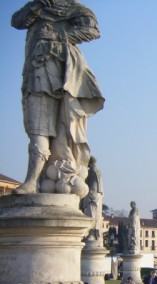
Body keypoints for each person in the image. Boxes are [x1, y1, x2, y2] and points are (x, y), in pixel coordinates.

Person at [11, 0, 104, 197]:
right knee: (37, 130)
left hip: (52, 77)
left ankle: (32, 181)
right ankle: (37, 179)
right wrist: (35, 7)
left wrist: (57, 37)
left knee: (42, 130)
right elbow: (16, 21)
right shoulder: (38, 7)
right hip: (33, 73)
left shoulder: (73, 9)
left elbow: (93, 29)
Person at [81, 156, 103, 245]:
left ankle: (92, 233)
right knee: (91, 216)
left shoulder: (93, 172)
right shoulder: (95, 171)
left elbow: (94, 187)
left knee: (92, 216)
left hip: (92, 198)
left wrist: (89, 196)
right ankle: (91, 233)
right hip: (94, 197)